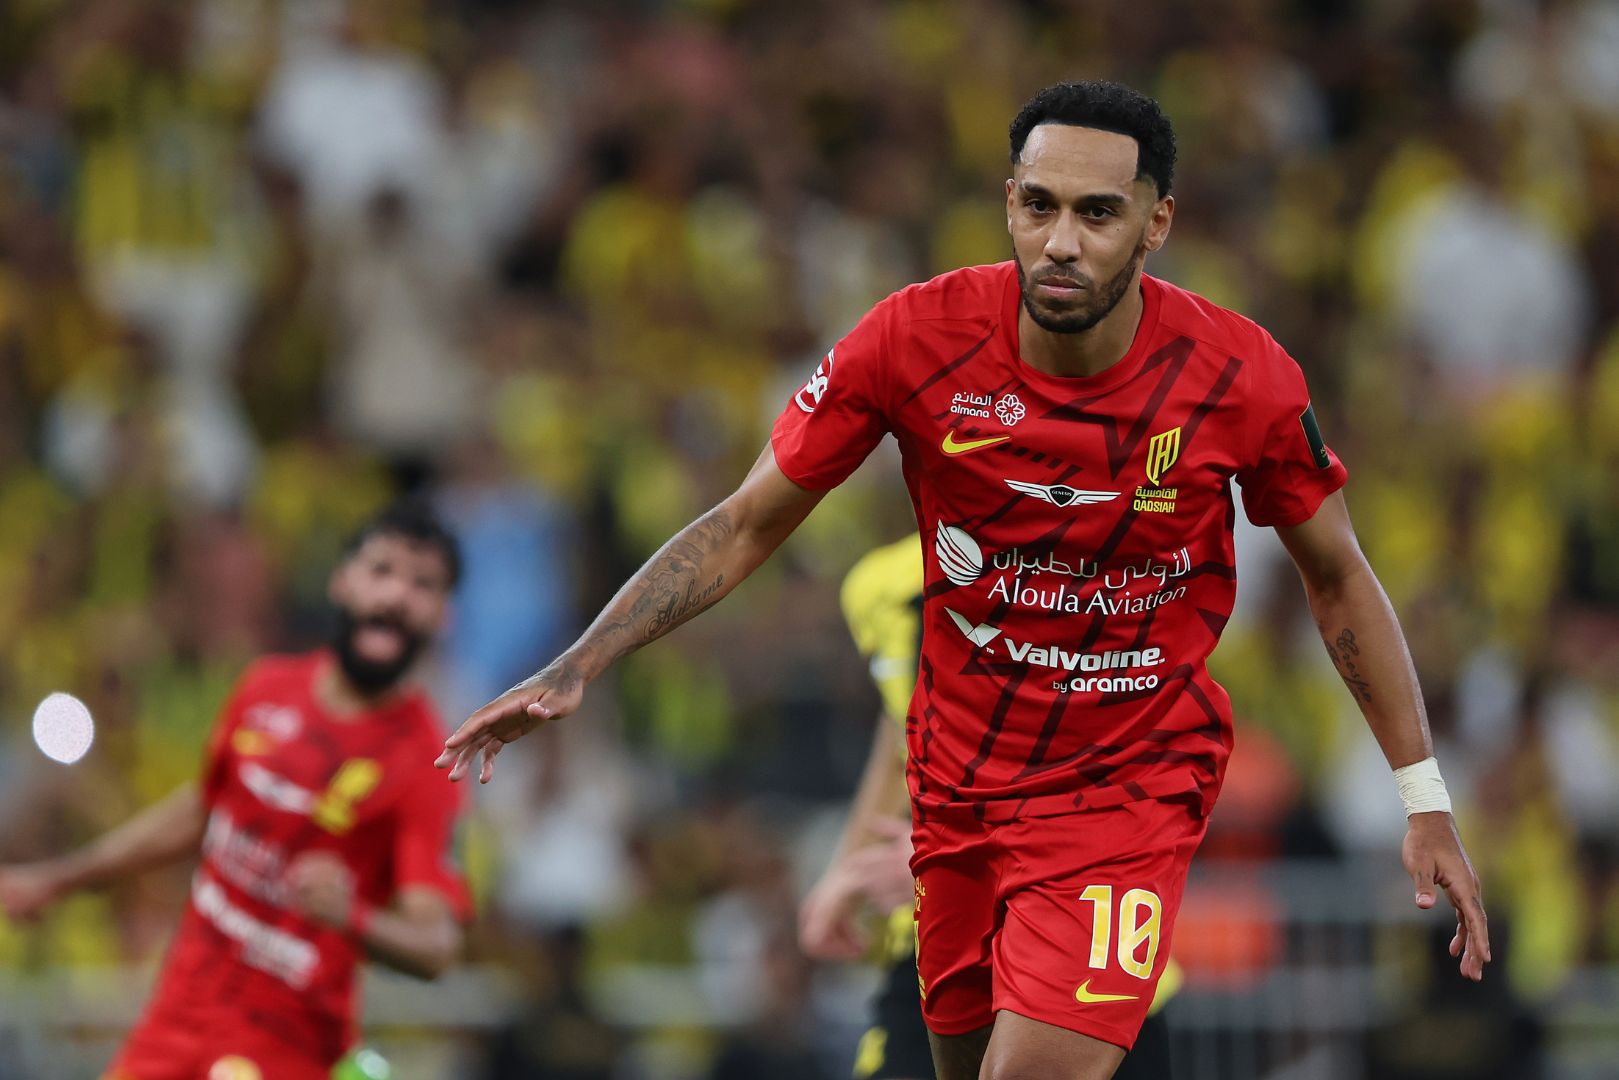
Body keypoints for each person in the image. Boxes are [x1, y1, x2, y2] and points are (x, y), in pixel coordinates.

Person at [437, 80, 1490, 1080]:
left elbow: (1337, 577)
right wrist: (580, 664)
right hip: (957, 789)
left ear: (1154, 224)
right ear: (1007, 204)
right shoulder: (913, 341)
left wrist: (1421, 796)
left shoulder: (1236, 377)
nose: (1060, 242)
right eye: (1036, 206)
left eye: (1096, 212)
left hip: (1123, 789)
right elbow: (746, 521)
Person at [0, 500, 470, 1080]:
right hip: (175, 1020)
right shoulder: (264, 688)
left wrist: (354, 916)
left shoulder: (427, 761)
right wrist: (58, 879)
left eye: (423, 585)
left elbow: (437, 944)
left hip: (284, 1047)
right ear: (342, 580)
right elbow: (202, 810)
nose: (397, 596)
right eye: (382, 571)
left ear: (444, 614)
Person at [802, 534, 1177, 1080]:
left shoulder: (1102, 569)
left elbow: (1127, 742)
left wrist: (956, 846)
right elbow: (900, 729)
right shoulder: (883, 586)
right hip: (954, 946)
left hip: (1094, 937)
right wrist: (848, 866)